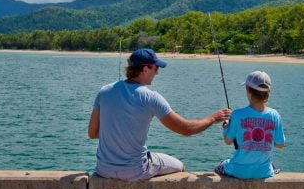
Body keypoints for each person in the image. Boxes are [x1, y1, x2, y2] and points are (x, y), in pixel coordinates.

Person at [88, 48, 231, 181]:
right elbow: (186, 129)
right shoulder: (151, 97)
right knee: (180, 166)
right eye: (155, 68)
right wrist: (213, 118)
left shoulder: (104, 91)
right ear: (145, 69)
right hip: (136, 170)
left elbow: (93, 133)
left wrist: (118, 128)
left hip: (103, 170)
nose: (157, 72)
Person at [215, 70, 286, 179]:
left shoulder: (237, 114)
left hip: (237, 171)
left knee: (219, 166)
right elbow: (280, 145)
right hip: (263, 172)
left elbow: (228, 141)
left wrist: (225, 127)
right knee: (271, 165)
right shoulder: (275, 115)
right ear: (268, 92)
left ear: (248, 90)